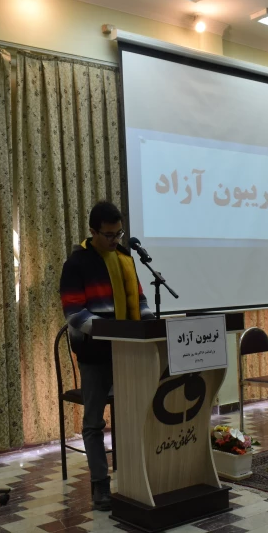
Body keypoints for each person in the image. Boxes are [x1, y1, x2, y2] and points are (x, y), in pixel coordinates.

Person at [59, 201, 155, 511]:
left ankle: (135, 475)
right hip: (95, 354)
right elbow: (74, 313)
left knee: (134, 414)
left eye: (119, 233)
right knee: (93, 422)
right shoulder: (77, 264)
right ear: (93, 231)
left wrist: (150, 324)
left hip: (128, 352)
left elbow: (139, 299)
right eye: (109, 235)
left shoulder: (125, 258)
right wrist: (111, 332)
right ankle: (100, 484)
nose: (115, 240)